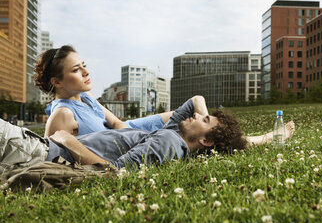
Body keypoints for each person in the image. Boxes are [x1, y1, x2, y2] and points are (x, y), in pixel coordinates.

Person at [0, 96, 246, 174]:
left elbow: (113, 171)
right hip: (33, 148)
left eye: (203, 121)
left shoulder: (168, 142)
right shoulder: (174, 133)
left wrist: (67, 139)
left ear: (206, 141)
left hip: (38, 152)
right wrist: (209, 125)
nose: (195, 116)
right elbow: (195, 101)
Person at [34, 45, 176, 137]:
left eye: (84, 66)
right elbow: (50, 157)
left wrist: (140, 136)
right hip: (122, 142)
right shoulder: (62, 114)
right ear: (57, 81)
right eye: (76, 70)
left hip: (128, 131)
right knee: (189, 126)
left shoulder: (86, 97)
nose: (86, 72)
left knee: (191, 107)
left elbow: (115, 123)